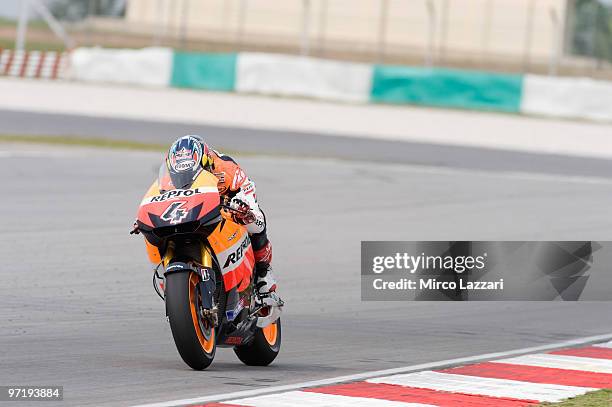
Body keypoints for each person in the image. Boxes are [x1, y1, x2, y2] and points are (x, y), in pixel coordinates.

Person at [166, 135, 277, 296]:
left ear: (206, 163)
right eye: (179, 175)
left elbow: (247, 193)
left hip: (229, 204)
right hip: (194, 210)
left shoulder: (226, 168)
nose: (183, 179)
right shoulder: (168, 176)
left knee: (255, 221)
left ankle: (263, 271)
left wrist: (242, 208)